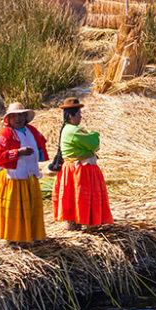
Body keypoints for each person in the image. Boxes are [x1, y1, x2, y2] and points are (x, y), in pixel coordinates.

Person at [0, 102, 48, 242]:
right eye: (14, 116)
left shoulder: (31, 131)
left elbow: (41, 145)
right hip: (12, 177)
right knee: (14, 209)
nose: (18, 119)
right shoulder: (5, 133)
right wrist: (18, 153)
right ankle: (13, 237)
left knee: (29, 208)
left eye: (21, 115)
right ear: (8, 119)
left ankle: (30, 234)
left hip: (29, 176)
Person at [52, 97, 113, 230]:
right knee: (81, 198)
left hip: (77, 168)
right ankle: (85, 224)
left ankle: (77, 224)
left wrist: (89, 136)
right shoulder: (73, 131)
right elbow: (94, 143)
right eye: (79, 114)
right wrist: (94, 134)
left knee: (76, 199)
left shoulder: (70, 129)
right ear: (72, 115)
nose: (80, 116)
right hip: (79, 171)